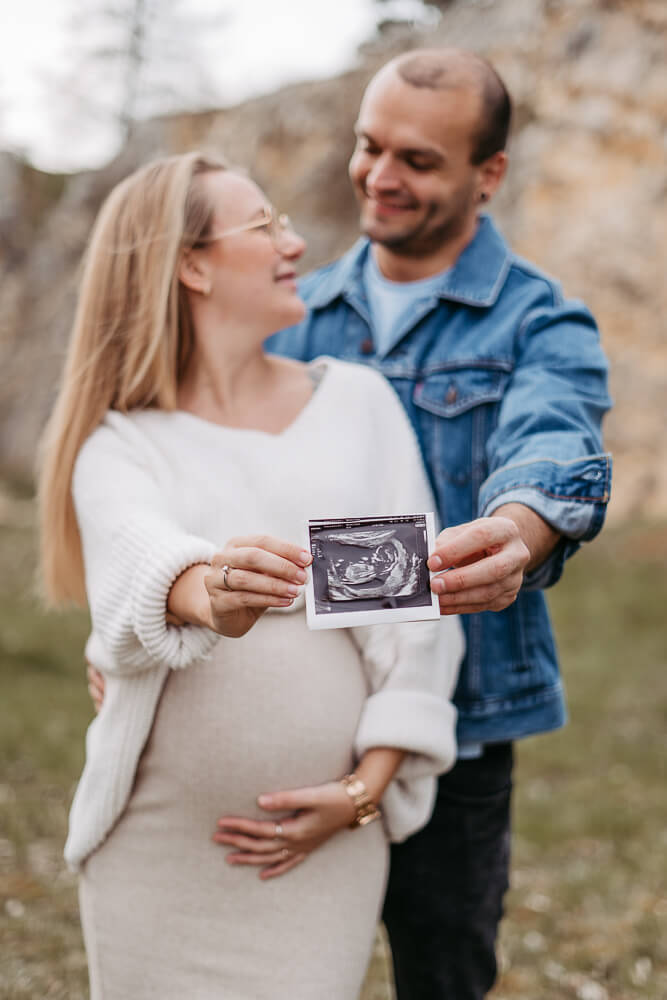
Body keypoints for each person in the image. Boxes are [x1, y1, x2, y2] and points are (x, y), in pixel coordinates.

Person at [37, 151, 465, 999]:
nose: (295, 242)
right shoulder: (121, 444)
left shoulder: (356, 405)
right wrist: (212, 592)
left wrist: (362, 790)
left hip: (324, 856)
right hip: (158, 855)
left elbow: (411, 624)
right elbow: (141, 566)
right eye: (263, 224)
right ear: (191, 262)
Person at [264, 48, 613, 999]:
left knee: (443, 973)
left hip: (457, 726)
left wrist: (522, 526)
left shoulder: (542, 321)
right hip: (297, 706)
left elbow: (553, 431)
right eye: (368, 146)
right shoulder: (289, 316)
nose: (379, 176)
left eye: (416, 159)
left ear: (486, 174)